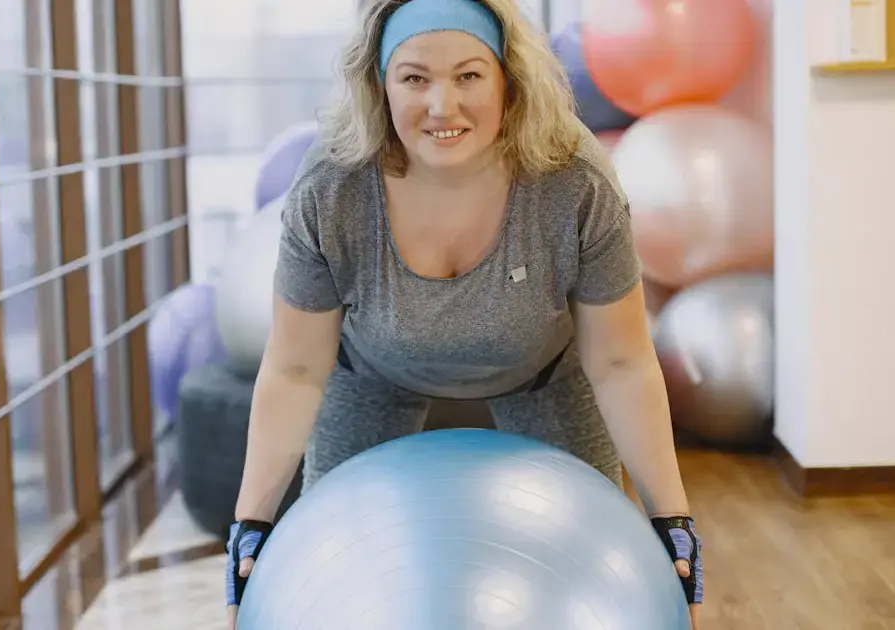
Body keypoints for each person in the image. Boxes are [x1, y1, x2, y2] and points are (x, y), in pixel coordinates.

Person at [224, 0, 703, 627]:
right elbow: (293, 369)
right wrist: (251, 529)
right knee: (347, 572)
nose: (442, 106)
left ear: (509, 78)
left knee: (582, 569)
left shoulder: (574, 182)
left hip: (546, 373)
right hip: (370, 374)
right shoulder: (333, 188)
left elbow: (619, 361)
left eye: (469, 75)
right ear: (381, 86)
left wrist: (672, 525)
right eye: (415, 77)